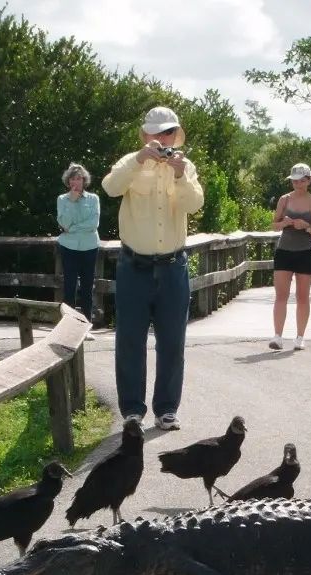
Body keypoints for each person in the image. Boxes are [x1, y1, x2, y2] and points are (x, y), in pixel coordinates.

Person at [101, 107, 204, 431]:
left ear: (176, 136)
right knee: (130, 341)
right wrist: (138, 160)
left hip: (173, 266)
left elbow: (195, 203)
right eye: (156, 133)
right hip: (134, 266)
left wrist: (179, 174)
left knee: (173, 342)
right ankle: (132, 410)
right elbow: (110, 187)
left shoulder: (185, 167)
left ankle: (167, 409)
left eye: (168, 133)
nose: (162, 139)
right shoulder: (130, 162)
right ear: (145, 135)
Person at [268, 163, 311, 351]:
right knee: (281, 296)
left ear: (309, 181)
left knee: (302, 297)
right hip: (284, 250)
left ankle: (300, 337)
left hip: (305, 252)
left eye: (301, 180)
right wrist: (284, 223)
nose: (297, 184)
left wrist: (306, 226)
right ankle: (277, 336)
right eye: (294, 181)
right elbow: (274, 225)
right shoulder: (284, 200)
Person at [56, 163, 101, 339]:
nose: (76, 181)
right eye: (73, 178)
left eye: (79, 178)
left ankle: (85, 327)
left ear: (84, 180)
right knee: (69, 287)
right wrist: (72, 203)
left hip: (89, 247)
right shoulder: (62, 199)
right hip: (69, 247)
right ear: (68, 181)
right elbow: (63, 223)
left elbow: (93, 224)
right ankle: (68, 328)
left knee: (87, 288)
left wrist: (72, 228)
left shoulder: (93, 199)